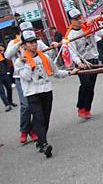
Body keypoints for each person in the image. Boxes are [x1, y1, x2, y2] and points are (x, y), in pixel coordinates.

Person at [15, 30, 78, 158]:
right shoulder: (19, 62)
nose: (34, 44)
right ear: (24, 45)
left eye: (35, 41)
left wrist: (69, 73)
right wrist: (27, 64)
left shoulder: (44, 57)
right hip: (32, 94)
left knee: (46, 119)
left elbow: (56, 72)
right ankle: (44, 144)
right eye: (30, 42)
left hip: (46, 91)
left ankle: (39, 140)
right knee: (39, 118)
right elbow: (26, 77)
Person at [5, 22, 56, 144]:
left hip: (38, 77)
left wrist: (53, 47)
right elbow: (7, 55)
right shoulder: (14, 43)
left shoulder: (34, 43)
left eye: (31, 30)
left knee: (40, 110)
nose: (30, 32)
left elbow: (45, 52)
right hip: (21, 77)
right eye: (27, 30)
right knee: (26, 106)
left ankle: (36, 131)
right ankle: (24, 130)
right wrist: (20, 44)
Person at [65, 9, 99, 119]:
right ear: (71, 21)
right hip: (82, 62)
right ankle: (81, 107)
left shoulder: (87, 28)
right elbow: (72, 51)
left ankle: (87, 109)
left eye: (80, 17)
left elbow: (100, 34)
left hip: (92, 58)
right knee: (85, 84)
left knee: (91, 86)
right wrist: (79, 63)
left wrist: (94, 28)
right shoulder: (70, 35)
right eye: (76, 19)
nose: (79, 20)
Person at [0, 44, 16, 111]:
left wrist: (8, 70)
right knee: (1, 91)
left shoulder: (1, 52)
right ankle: (7, 105)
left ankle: (10, 101)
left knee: (9, 88)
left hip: (4, 73)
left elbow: (5, 61)